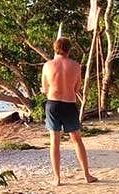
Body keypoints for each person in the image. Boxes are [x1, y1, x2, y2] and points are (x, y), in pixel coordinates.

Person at [41, 37, 97, 186]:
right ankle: (86, 174)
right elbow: (76, 88)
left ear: (55, 48)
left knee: (55, 141)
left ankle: (57, 178)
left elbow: (45, 88)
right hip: (69, 103)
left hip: (53, 104)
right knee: (76, 139)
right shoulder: (76, 66)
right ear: (69, 49)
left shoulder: (48, 65)